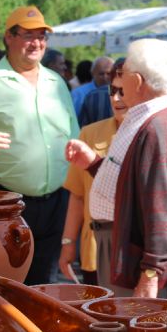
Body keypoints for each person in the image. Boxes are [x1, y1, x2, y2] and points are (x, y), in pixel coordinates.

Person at [0, 5, 79, 285]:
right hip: (1, 206)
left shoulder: (57, 82)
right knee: (1, 289)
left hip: (56, 204)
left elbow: (73, 139)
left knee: (45, 288)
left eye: (42, 36)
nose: (37, 43)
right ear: (9, 37)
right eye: (28, 35)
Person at [65, 39, 167, 298]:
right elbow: (136, 183)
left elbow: (162, 210)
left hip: (131, 255)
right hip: (120, 245)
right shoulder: (147, 117)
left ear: (136, 80)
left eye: (123, 75)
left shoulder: (158, 128)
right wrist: (93, 164)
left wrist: (151, 274)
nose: (119, 83)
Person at [59, 60, 128, 286]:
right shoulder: (90, 133)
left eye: (124, 91)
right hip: (95, 252)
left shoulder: (155, 133)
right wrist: (68, 243)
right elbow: (77, 195)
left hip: (136, 256)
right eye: (112, 90)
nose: (116, 98)